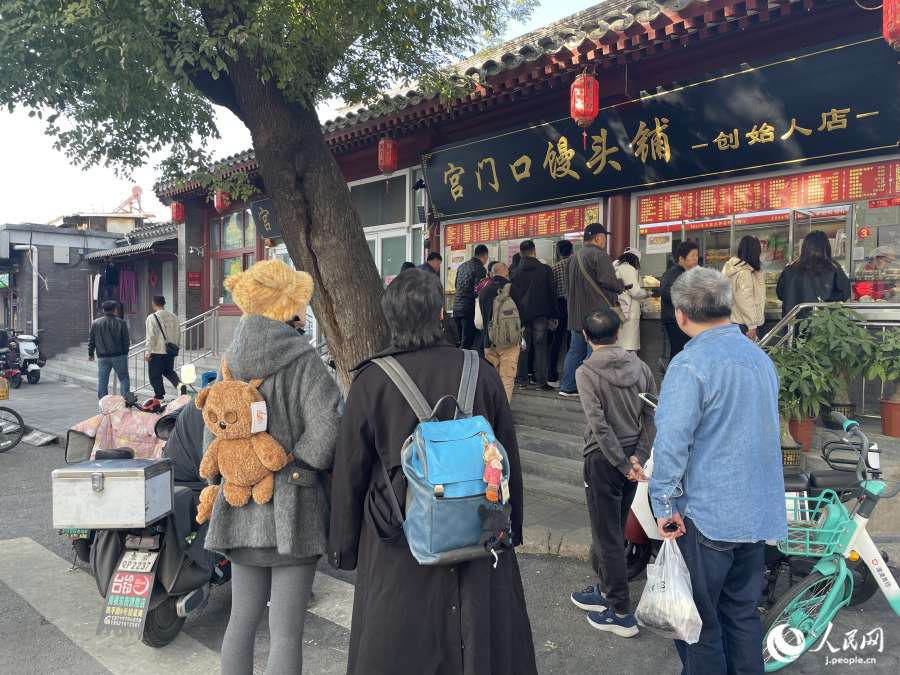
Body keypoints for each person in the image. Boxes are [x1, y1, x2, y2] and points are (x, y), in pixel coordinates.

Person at [329, 268, 537, 675]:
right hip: (476, 523)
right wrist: (511, 527)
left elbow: (350, 470)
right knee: (479, 631)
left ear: (390, 318)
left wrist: (344, 545)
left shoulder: (372, 381)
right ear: (441, 313)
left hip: (398, 532)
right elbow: (505, 454)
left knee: (398, 638)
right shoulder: (480, 371)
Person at [204, 260, 341, 675]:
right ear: (288, 303)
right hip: (293, 509)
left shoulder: (230, 359)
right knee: (285, 632)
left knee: (241, 620)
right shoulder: (303, 361)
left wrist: (229, 472)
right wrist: (298, 462)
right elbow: (328, 425)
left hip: (239, 505)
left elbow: (215, 427)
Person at [649, 267, 787, 675]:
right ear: (727, 306)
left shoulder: (689, 364)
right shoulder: (760, 359)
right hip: (756, 513)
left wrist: (663, 504)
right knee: (742, 615)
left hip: (707, 515)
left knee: (699, 625)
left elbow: (672, 442)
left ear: (681, 315)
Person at [569, 309, 656, 638]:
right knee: (615, 528)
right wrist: (638, 457)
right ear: (618, 333)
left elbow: (599, 425)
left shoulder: (586, 372)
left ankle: (620, 611)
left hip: (604, 460)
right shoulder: (641, 367)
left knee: (607, 536)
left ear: (586, 337)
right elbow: (651, 414)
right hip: (632, 459)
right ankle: (607, 590)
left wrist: (622, 462)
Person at [560, 223, 624, 397]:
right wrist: (621, 285)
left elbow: (567, 286)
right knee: (594, 351)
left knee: (575, 350)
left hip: (575, 313)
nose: (605, 241)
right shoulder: (599, 255)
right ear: (598, 238)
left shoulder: (573, 258)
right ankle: (591, 389)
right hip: (595, 314)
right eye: (604, 238)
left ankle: (568, 386)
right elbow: (608, 281)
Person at [511, 240, 558, 391]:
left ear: (520, 253)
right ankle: (541, 382)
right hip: (541, 315)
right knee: (540, 347)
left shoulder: (514, 272)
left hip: (521, 316)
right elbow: (552, 293)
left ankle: (522, 380)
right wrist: (554, 314)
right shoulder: (545, 270)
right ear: (534, 251)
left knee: (523, 347)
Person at [476, 262, 525, 401]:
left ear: (492, 273)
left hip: (489, 341)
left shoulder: (484, 291)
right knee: (507, 378)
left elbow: (481, 318)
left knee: (491, 378)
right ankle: (503, 410)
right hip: (509, 341)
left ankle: (490, 408)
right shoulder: (513, 289)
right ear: (507, 272)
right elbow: (522, 315)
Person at [776, 230, 851, 318]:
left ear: (804, 247)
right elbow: (845, 294)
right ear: (826, 247)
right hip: (822, 321)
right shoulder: (833, 268)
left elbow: (780, 294)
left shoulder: (790, 269)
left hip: (793, 321)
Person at [659, 240, 700, 359]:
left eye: (697, 255)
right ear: (681, 259)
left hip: (682, 320)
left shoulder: (688, 273)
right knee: (679, 354)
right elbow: (667, 292)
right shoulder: (673, 273)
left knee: (683, 353)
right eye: (692, 255)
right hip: (675, 321)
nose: (696, 259)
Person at [723, 236, 766, 339]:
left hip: (736, 321)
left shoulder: (736, 268)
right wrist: (752, 325)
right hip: (745, 325)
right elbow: (746, 300)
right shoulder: (744, 273)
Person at [88, 299, 130, 399]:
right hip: (119, 355)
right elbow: (126, 340)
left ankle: (103, 402)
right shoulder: (121, 322)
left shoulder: (95, 323)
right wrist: (125, 352)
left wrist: (91, 354)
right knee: (124, 379)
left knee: (103, 380)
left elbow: (91, 340)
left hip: (102, 357)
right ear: (115, 310)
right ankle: (125, 401)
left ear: (103, 310)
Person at [145, 296, 182, 399]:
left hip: (157, 351)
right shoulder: (173, 316)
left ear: (153, 304)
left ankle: (159, 395)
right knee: (169, 371)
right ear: (164, 303)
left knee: (155, 375)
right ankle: (180, 385)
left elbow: (151, 336)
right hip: (170, 350)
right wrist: (176, 346)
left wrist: (148, 351)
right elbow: (178, 333)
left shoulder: (152, 317)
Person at [452, 244, 489, 349]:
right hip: (469, 310)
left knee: (459, 341)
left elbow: (456, 285)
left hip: (457, 308)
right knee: (467, 342)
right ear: (485, 256)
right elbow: (478, 291)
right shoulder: (480, 269)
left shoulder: (462, 266)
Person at [613, 248, 648, 352]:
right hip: (629, 310)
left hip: (618, 308)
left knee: (619, 343)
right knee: (629, 346)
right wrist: (647, 294)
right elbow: (635, 292)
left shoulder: (615, 267)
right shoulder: (628, 268)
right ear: (635, 259)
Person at [549, 240, 574, 385]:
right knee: (573, 342)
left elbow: (552, 290)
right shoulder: (577, 265)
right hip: (574, 305)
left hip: (559, 305)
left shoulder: (555, 268)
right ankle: (571, 378)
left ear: (558, 252)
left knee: (556, 341)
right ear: (572, 251)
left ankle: (552, 375)